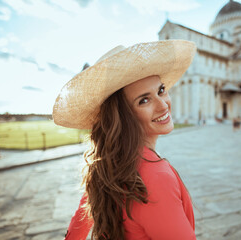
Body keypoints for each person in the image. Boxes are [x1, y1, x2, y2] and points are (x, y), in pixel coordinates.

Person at [52, 40, 197, 240]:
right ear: (123, 116)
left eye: (161, 90)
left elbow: (77, 226)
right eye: (144, 100)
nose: (163, 105)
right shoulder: (154, 177)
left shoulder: (109, 165)